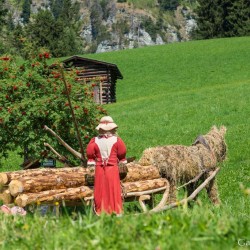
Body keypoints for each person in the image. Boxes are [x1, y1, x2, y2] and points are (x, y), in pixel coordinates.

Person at [86, 116, 127, 215]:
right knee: (113, 188)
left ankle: (101, 211)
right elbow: (122, 154)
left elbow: (90, 154)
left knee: (101, 189)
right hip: (112, 168)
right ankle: (115, 210)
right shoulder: (117, 140)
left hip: (100, 168)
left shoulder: (94, 141)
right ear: (112, 128)